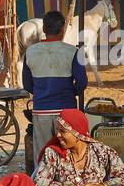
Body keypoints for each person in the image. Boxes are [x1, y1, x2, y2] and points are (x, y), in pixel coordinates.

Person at [23, 11, 87, 169]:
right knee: (68, 151)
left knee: (43, 153)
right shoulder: (74, 52)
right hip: (67, 112)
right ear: (63, 29)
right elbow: (81, 83)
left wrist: (41, 92)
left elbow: (27, 84)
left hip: (41, 112)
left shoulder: (30, 52)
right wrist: (70, 92)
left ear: (44, 29)